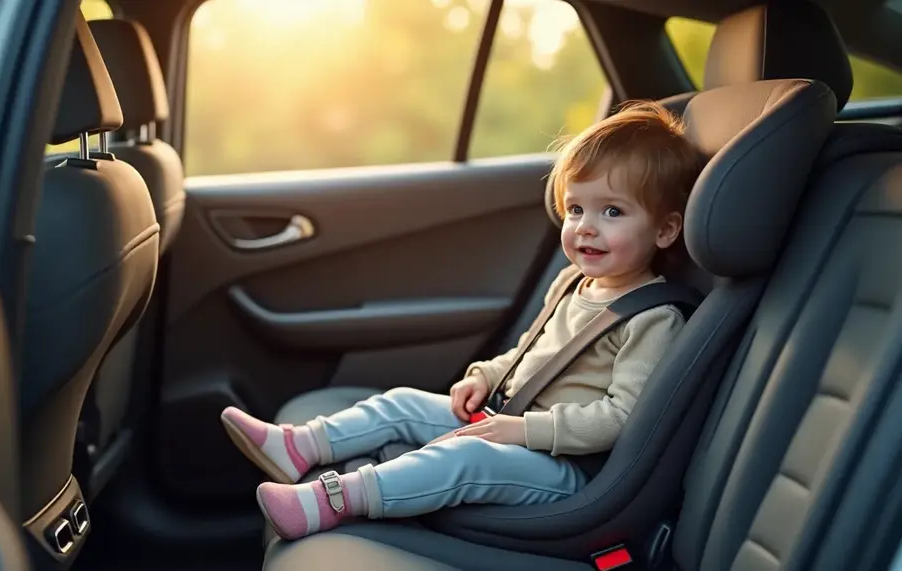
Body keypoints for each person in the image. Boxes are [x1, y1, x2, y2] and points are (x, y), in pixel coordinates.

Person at [219, 101, 705, 541]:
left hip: (568, 470)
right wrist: (486, 376)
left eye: (613, 211)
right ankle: (302, 445)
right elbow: (529, 355)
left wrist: (524, 431)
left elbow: (621, 419)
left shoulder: (653, 317)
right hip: (511, 424)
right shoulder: (572, 284)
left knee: (465, 458)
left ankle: (333, 500)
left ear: (665, 230)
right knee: (403, 402)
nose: (585, 227)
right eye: (576, 208)